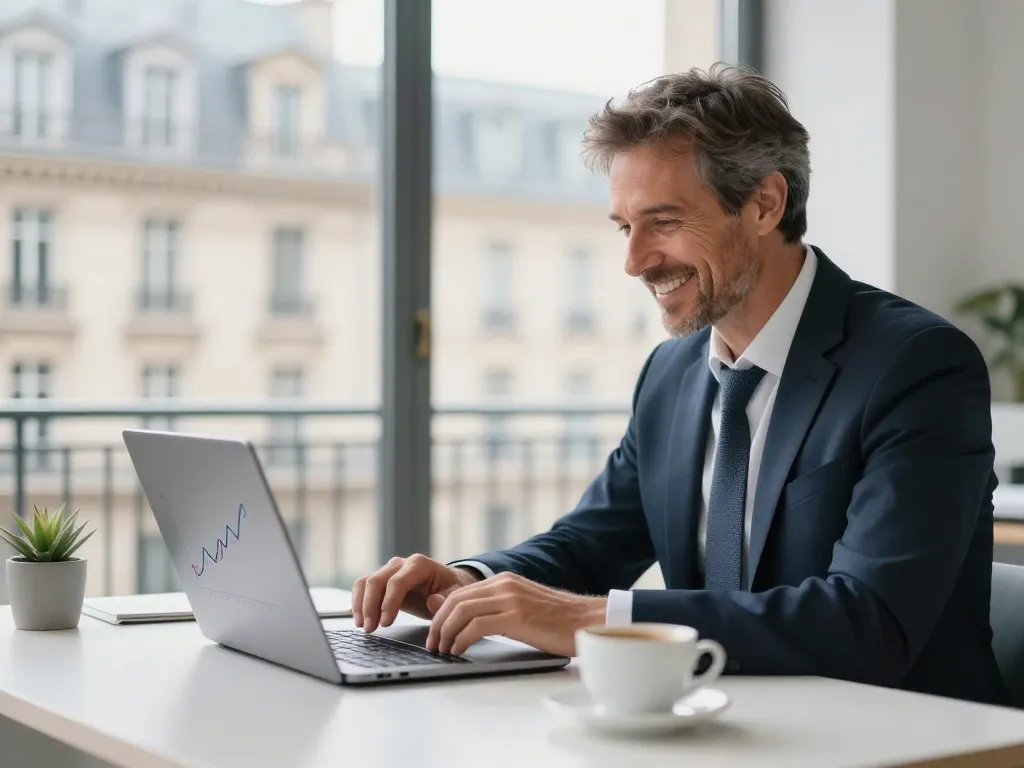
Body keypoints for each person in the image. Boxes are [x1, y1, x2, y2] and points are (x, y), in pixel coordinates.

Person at [352, 63, 1009, 706]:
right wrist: (470, 581)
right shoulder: (672, 373)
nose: (634, 261)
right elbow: (589, 546)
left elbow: (867, 622)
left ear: (764, 203)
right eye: (624, 227)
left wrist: (591, 623)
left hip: (907, 739)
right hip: (723, 732)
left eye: (663, 223)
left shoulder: (917, 366)